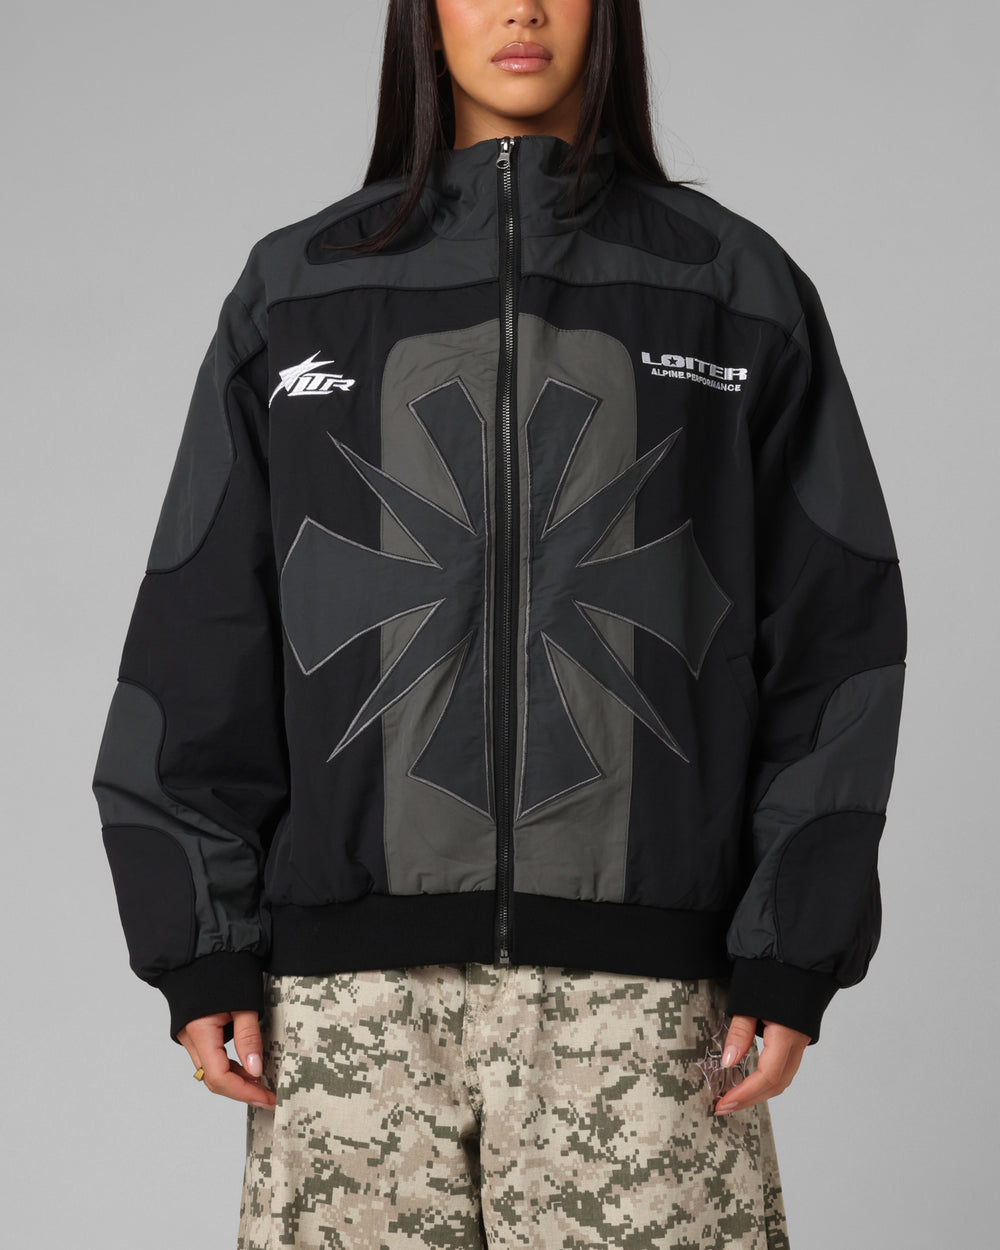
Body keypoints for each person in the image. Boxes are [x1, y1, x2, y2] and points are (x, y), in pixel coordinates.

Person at [91, 1, 907, 1246]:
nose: (521, 8)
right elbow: (201, 636)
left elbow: (837, 640)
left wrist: (791, 946)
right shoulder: (299, 290)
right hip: (350, 1011)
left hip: (647, 1006)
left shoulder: (730, 286)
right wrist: (200, 942)